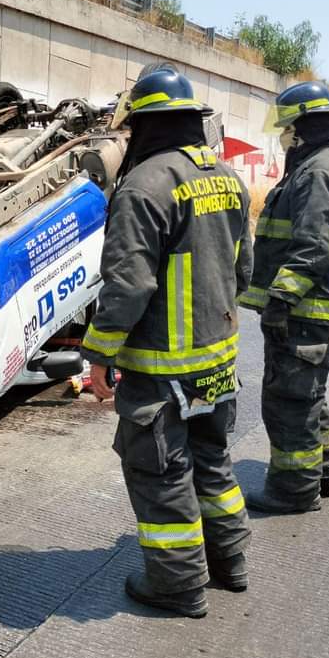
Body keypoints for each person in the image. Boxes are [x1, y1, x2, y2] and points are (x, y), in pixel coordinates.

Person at [81, 68, 253, 619]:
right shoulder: (228, 178)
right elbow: (241, 270)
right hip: (218, 361)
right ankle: (230, 563)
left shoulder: (146, 186)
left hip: (162, 368)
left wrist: (99, 353)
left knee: (161, 473)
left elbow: (129, 285)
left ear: (146, 126)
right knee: (213, 462)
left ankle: (177, 585)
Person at [239, 81, 329, 514]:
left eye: (287, 126)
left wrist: (281, 299)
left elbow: (314, 245)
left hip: (307, 310)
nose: (283, 134)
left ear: (304, 126)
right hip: (320, 308)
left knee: (290, 402)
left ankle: (293, 491)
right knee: (310, 396)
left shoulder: (317, 172)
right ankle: (325, 476)